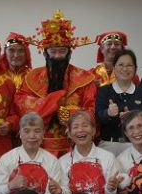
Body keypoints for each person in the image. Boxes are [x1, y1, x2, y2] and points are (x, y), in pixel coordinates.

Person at [15, 10, 97, 156]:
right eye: (53, 51)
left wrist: (69, 112)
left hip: (73, 146)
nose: (58, 56)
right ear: (45, 53)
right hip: (38, 145)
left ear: (69, 53)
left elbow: (92, 110)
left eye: (62, 51)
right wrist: (53, 103)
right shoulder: (31, 77)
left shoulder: (84, 79)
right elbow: (20, 104)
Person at [57, 111, 121, 194]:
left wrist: (111, 189)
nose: (80, 130)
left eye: (85, 125)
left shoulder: (108, 157)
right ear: (69, 134)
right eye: (75, 127)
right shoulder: (63, 161)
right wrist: (59, 192)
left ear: (94, 131)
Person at [95, 49, 142, 156]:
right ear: (114, 67)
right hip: (109, 146)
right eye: (121, 65)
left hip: (137, 145)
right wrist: (108, 113)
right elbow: (98, 117)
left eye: (129, 65)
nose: (125, 69)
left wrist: (134, 116)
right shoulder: (104, 91)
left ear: (135, 69)